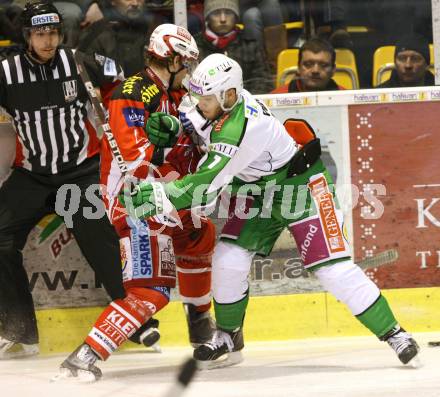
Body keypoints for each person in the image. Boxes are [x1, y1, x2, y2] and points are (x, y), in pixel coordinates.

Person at [122, 53, 420, 370]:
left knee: (333, 270)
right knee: (228, 259)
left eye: (205, 98)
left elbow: (202, 186)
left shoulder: (243, 129)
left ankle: (395, 334)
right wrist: (174, 127)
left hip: (301, 188)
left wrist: (158, 194)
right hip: (258, 191)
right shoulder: (221, 103)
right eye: (198, 95)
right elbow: (193, 119)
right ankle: (227, 335)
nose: (199, 103)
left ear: (230, 95)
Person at [0, 0, 160, 360]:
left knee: (98, 235)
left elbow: (123, 82)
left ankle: (133, 319)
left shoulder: (78, 60)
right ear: (27, 36)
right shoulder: (6, 72)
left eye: (53, 32)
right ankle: (20, 331)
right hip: (33, 175)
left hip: (79, 171)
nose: (48, 40)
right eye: (41, 33)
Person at [56, 23, 216, 381]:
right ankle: (85, 355)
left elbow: (182, 151)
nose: (188, 71)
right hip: (134, 201)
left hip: (162, 196)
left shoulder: (173, 96)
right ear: (172, 60)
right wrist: (167, 147)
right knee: (151, 291)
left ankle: (200, 323)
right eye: (185, 63)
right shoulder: (133, 92)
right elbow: (135, 160)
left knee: (198, 234)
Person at [195, 0, 273, 94]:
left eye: (228, 13)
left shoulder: (250, 44)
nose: (223, 19)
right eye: (216, 13)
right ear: (207, 18)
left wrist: (246, 101)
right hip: (207, 104)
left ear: (236, 17)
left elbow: (263, 81)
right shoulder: (196, 46)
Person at [77, 0, 153, 77]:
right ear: (112, 1)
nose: (135, 3)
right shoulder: (97, 33)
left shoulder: (155, 31)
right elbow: (83, 69)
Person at [272, 37, 345, 94]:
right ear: (298, 67)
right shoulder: (274, 99)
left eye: (323, 65)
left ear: (333, 70)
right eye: (308, 64)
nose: (315, 70)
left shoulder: (347, 98)